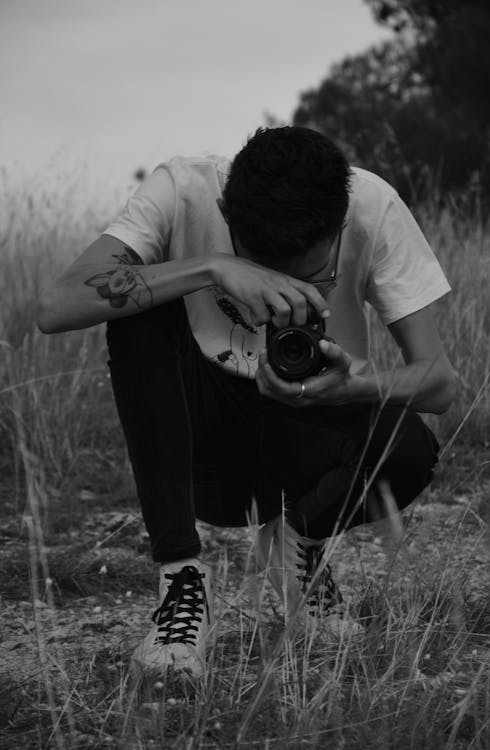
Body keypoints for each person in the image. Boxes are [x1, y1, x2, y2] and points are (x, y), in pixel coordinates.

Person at [37, 126, 457, 679]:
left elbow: (441, 384)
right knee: (134, 307)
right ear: (224, 212)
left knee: (408, 448)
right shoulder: (182, 189)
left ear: (342, 219)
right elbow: (56, 305)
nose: (281, 304)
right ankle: (181, 583)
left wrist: (351, 385)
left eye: (308, 282)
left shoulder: (372, 203)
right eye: (266, 277)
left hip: (306, 436)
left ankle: (296, 546)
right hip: (203, 451)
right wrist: (213, 267)